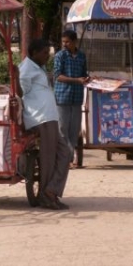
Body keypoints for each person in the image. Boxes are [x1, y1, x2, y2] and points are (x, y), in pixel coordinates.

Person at [19, 39, 71, 210]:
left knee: (64, 153)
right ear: (33, 53)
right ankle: (46, 196)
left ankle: (51, 190)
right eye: (44, 54)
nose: (47, 57)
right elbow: (21, 91)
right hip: (40, 116)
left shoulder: (37, 67)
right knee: (48, 158)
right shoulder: (27, 68)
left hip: (49, 116)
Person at [54, 29, 90, 167]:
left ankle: (68, 158)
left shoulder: (81, 56)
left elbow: (83, 74)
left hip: (77, 98)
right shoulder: (60, 56)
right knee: (63, 129)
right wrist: (77, 80)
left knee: (74, 130)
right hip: (62, 97)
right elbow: (58, 76)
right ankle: (65, 159)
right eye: (63, 42)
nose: (65, 44)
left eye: (67, 42)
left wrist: (87, 79)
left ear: (74, 42)